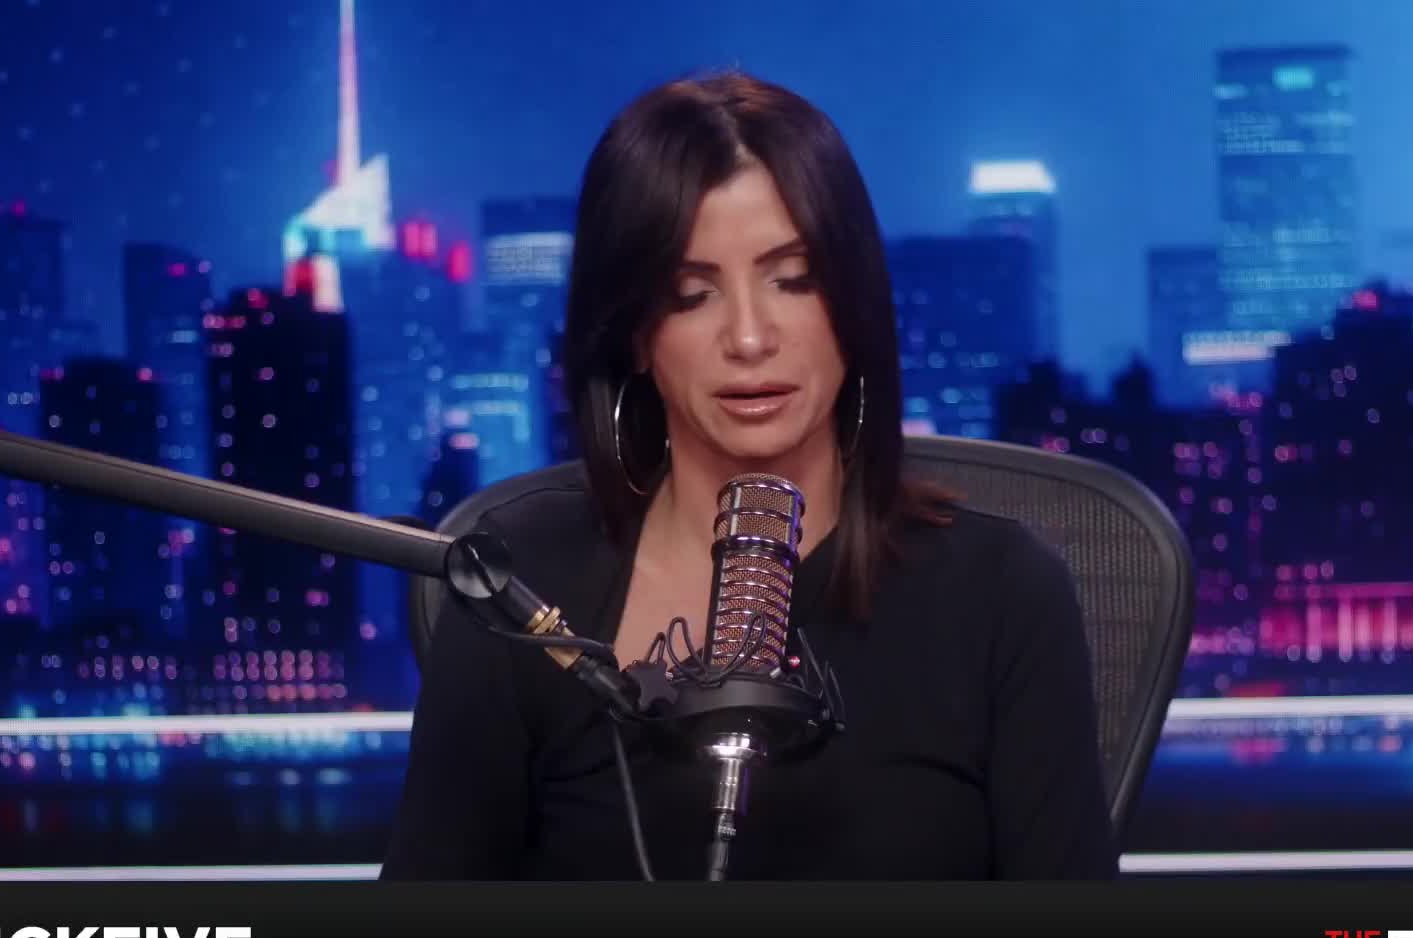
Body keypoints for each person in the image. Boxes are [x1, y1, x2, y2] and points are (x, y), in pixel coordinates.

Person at [381, 72, 1115, 880]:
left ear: (853, 304)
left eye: (794, 281)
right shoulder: (522, 584)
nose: (750, 337)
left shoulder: (1003, 594)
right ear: (633, 332)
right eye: (691, 294)